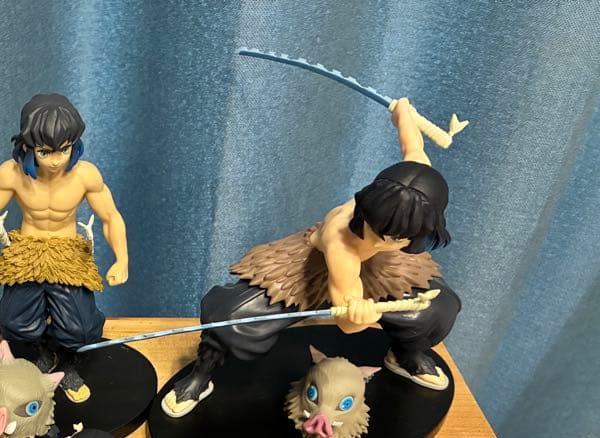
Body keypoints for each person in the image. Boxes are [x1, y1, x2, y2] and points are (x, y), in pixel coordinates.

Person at [163, 98, 460, 418]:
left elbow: (412, 144)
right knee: (231, 317)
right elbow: (346, 320)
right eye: (377, 229)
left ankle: (404, 356)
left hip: (381, 265)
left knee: (439, 307)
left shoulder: (417, 181)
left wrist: (402, 112)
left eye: (398, 237)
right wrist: (359, 315)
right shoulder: (341, 240)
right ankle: (200, 375)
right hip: (311, 268)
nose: (381, 240)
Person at [0, 94, 128, 403]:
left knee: (81, 329)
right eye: (45, 152)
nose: (56, 160)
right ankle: (42, 353)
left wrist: (122, 259)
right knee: (12, 323)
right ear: (28, 147)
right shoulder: (11, 174)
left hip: (68, 255)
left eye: (64, 149)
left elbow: (110, 217)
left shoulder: (85, 175)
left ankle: (66, 362)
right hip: (27, 252)